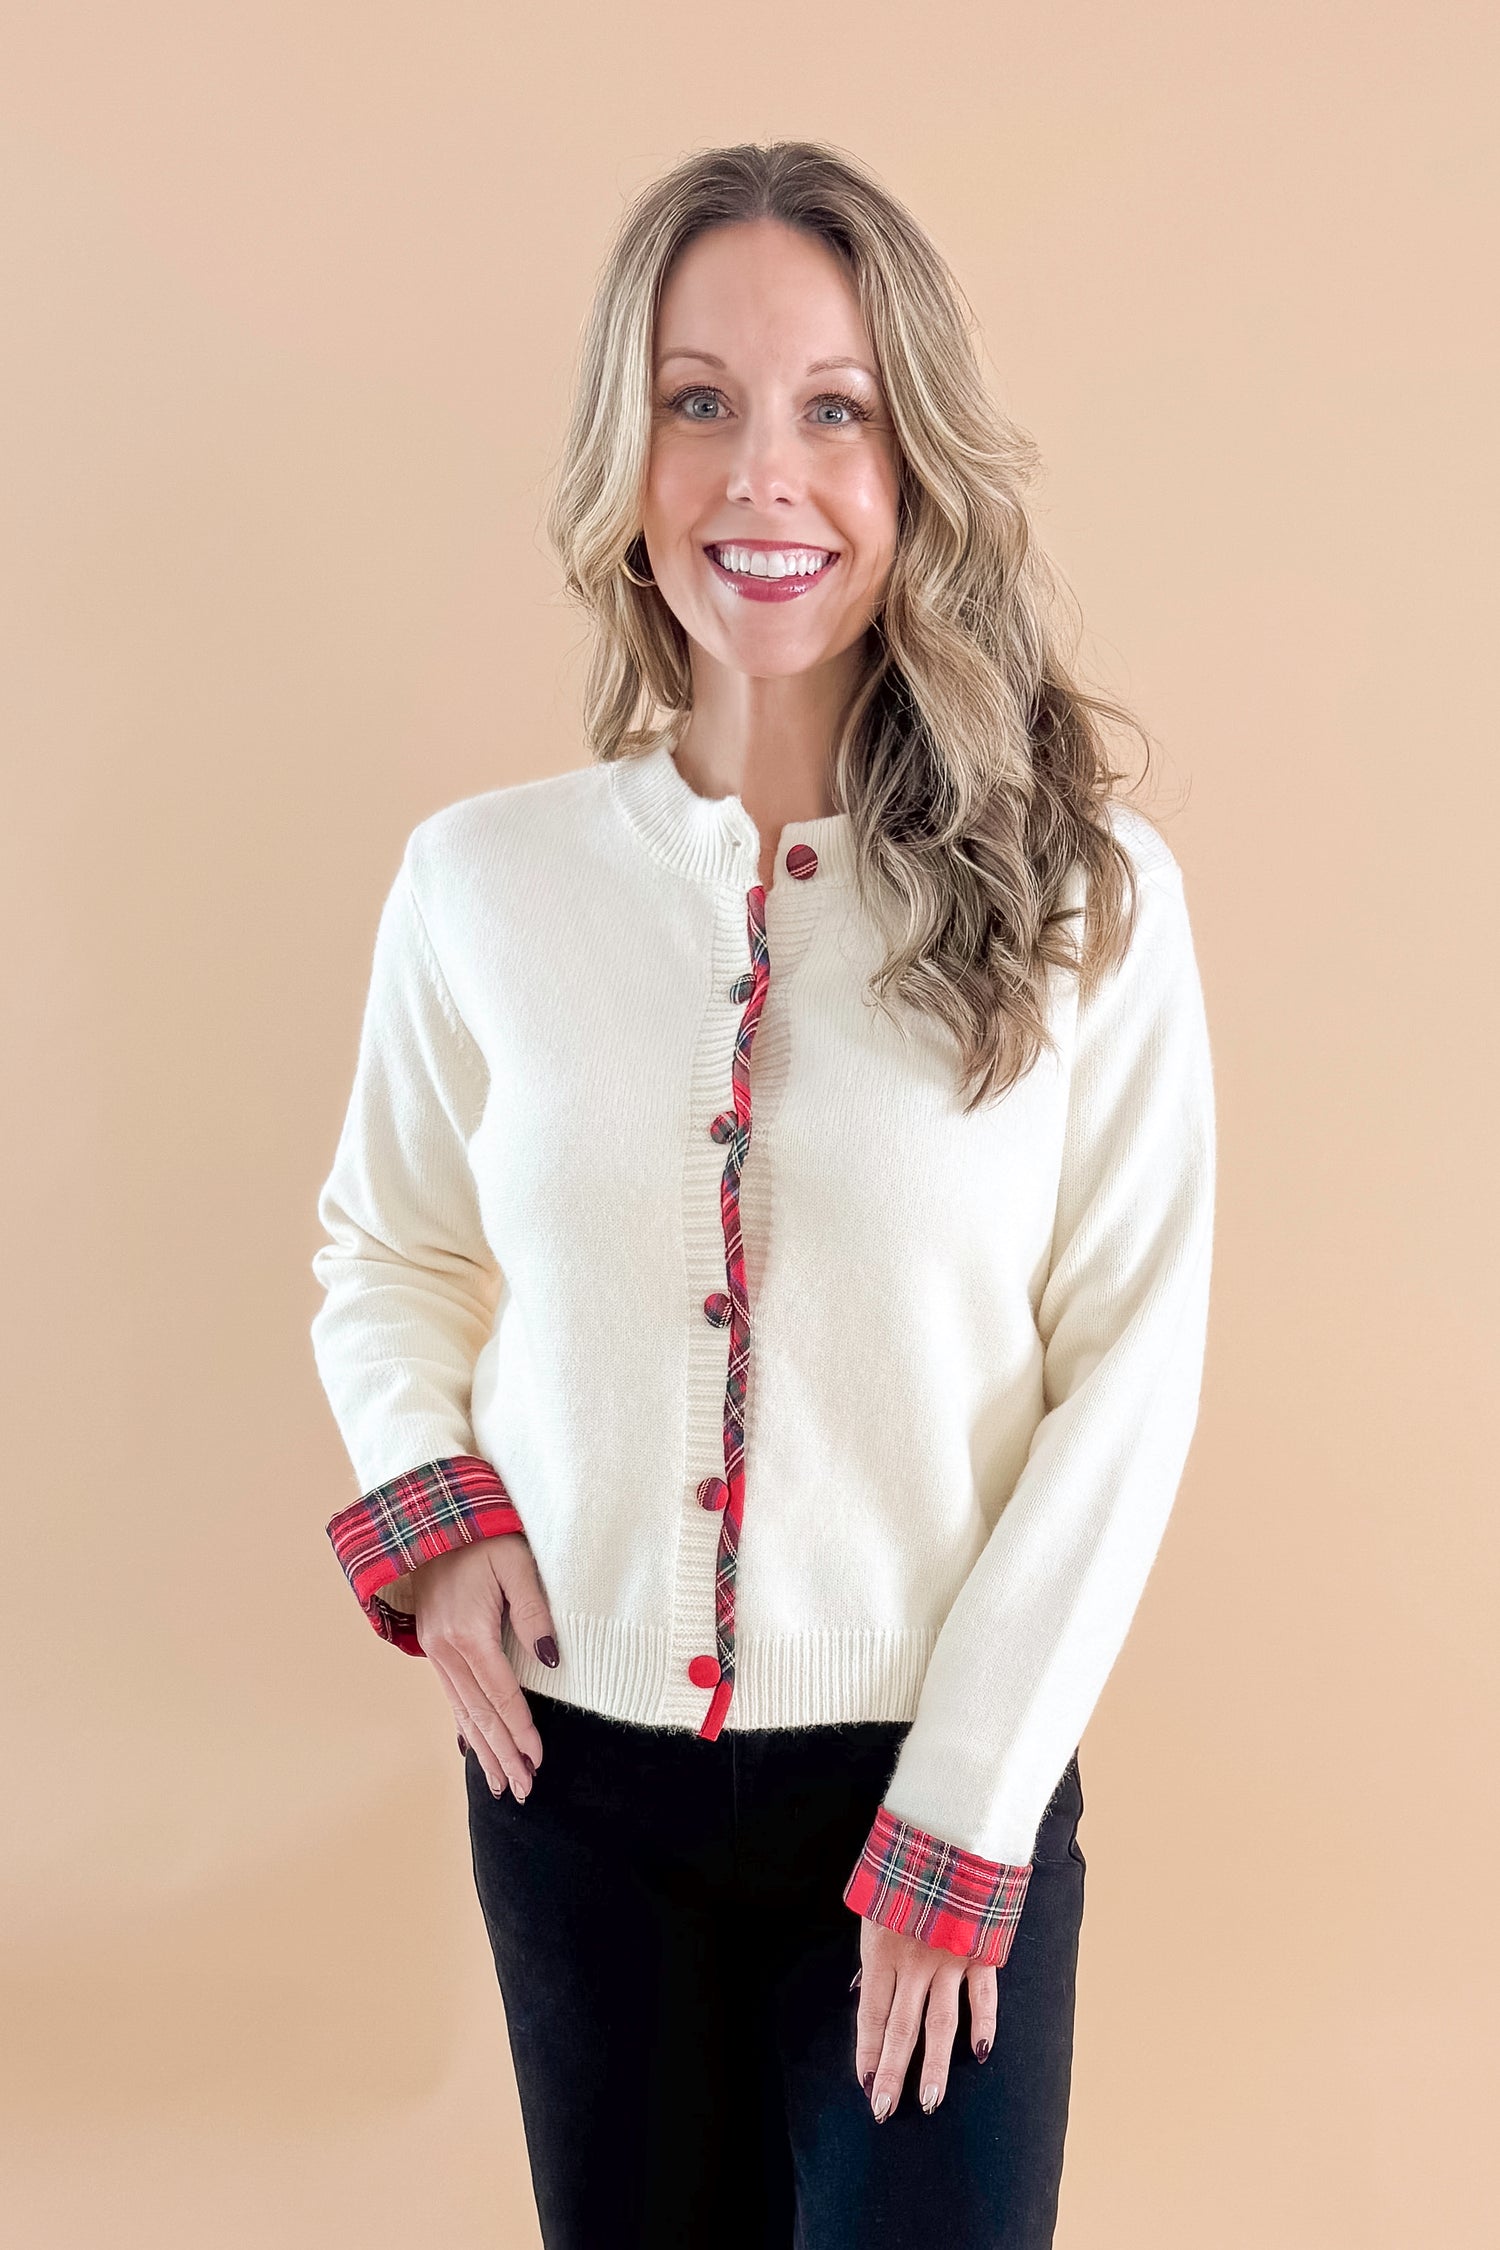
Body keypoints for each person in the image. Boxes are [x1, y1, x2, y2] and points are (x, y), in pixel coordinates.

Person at [308, 138, 1217, 2250]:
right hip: (576, 1793)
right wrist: (434, 1527)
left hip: (929, 1773)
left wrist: (965, 1811)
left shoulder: (1091, 898)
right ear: (629, 460)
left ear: (920, 465)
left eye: (835, 410)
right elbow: (389, 1245)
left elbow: (1135, 1369)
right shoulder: (485, 883)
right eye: (699, 402)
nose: (761, 478)